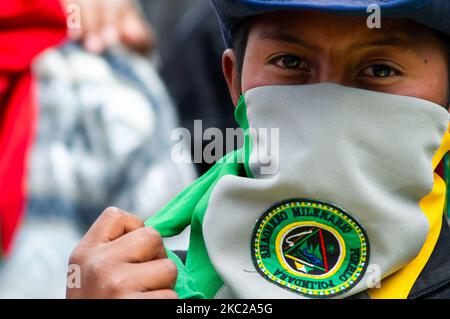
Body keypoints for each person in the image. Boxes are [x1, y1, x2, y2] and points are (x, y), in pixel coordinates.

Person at [67, 0, 450, 299]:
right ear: (234, 83)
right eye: (290, 62)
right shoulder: (148, 284)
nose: (329, 106)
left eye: (380, 70)